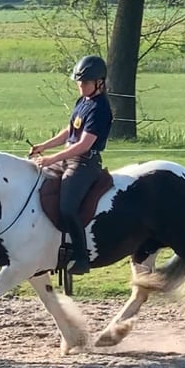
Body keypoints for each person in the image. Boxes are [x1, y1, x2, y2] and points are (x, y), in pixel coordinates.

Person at [29, 55, 113, 275]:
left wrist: (51, 159)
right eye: (79, 82)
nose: (80, 86)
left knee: (67, 207)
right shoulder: (83, 102)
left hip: (85, 164)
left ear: (99, 83)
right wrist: (43, 146)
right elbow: (70, 132)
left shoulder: (100, 108)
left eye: (85, 82)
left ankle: (81, 257)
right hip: (68, 158)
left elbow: (84, 145)